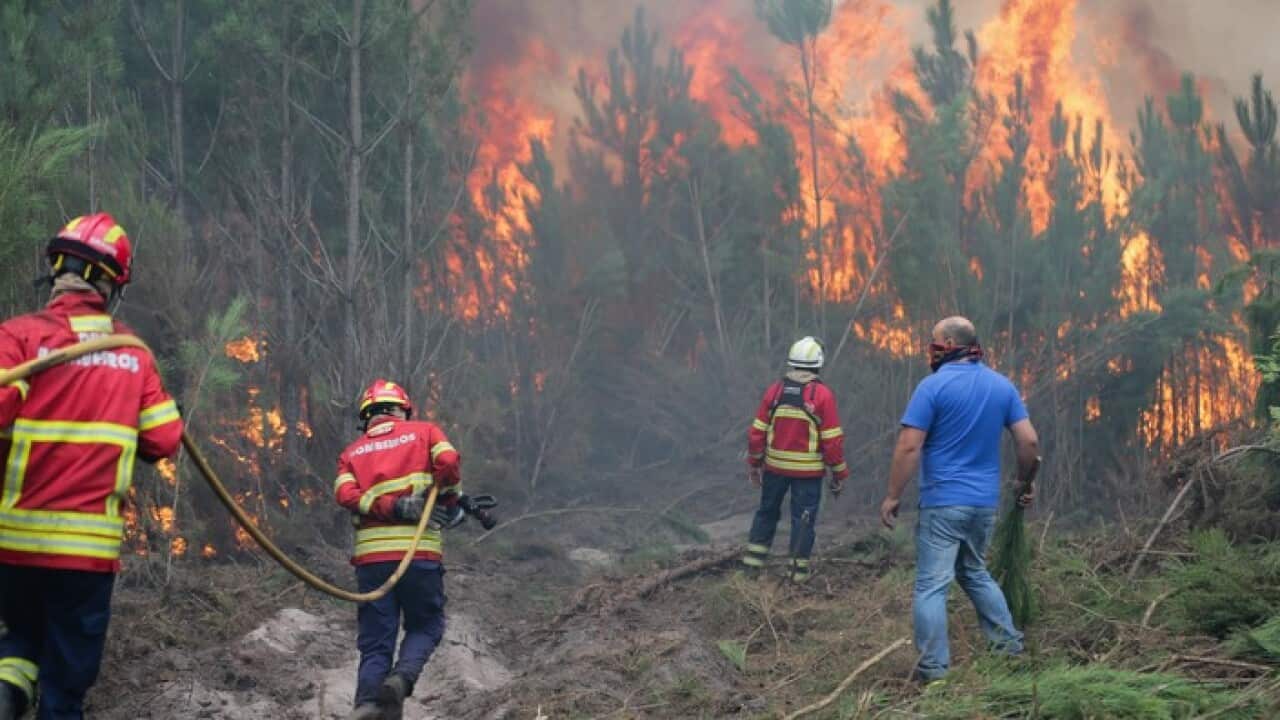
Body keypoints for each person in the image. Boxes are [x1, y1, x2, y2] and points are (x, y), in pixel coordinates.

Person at [0, 214, 184, 719]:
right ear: (110, 284)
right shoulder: (132, 355)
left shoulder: (17, 337)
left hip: (14, 546)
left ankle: (8, 694)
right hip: (84, 557)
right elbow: (165, 439)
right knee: (66, 683)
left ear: (57, 267)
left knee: (20, 639)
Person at [879, 316, 1039, 684]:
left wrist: (892, 496)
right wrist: (1024, 481)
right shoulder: (1003, 386)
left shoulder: (932, 387)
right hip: (983, 505)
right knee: (973, 572)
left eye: (934, 341)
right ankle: (1008, 647)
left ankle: (934, 670)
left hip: (943, 503)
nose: (930, 348)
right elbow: (1029, 441)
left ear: (949, 343)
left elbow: (909, 445)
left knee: (932, 585)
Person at [334, 379, 465, 720]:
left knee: (376, 640)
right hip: (419, 555)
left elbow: (346, 496)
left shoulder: (351, 452)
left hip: (372, 562)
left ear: (367, 417)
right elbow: (449, 461)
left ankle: (366, 706)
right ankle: (401, 679)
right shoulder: (425, 432)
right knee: (427, 625)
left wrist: (392, 506)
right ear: (402, 410)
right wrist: (447, 499)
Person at [744, 336, 849, 583]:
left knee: (766, 514)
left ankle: (751, 569)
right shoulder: (822, 395)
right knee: (803, 521)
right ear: (817, 364)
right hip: (808, 474)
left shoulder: (775, 390)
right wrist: (839, 473)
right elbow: (832, 440)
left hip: (775, 470)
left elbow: (757, 432)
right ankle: (796, 577)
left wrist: (755, 464)